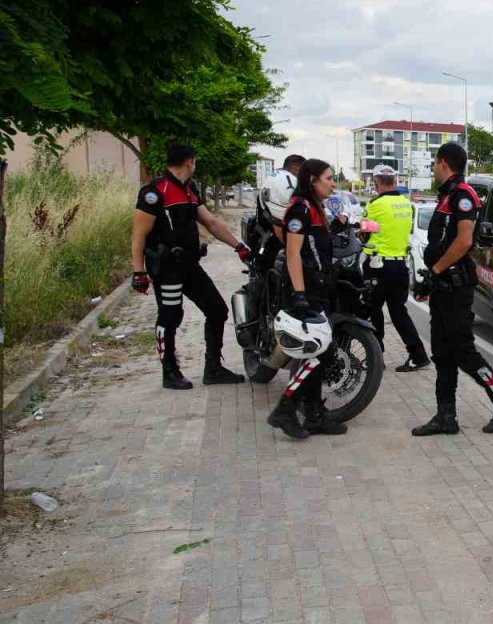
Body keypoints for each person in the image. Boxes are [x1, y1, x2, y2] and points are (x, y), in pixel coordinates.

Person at [411, 142, 493, 436]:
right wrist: (431, 278)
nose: (432, 168)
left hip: (456, 286)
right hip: (443, 287)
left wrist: (435, 270)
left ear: (443, 162)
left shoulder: (463, 195)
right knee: (443, 353)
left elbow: (463, 241)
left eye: (434, 163)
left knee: (463, 351)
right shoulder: (447, 196)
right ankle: (446, 417)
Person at [131, 143, 251, 390]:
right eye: (194, 162)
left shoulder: (189, 190)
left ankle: (213, 369)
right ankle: (170, 372)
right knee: (170, 316)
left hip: (189, 265)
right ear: (190, 162)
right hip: (166, 269)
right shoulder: (154, 192)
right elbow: (138, 235)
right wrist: (138, 272)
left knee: (217, 309)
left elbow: (211, 222)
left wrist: (239, 246)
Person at [266, 159, 349, 439]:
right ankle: (286, 409)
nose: (332, 183)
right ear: (312, 179)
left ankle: (312, 413)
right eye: (328, 178)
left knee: (320, 352)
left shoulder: (315, 207)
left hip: (319, 285)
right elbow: (293, 253)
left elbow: (317, 244)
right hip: (306, 288)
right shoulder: (300, 208)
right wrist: (300, 294)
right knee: (317, 352)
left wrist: (338, 228)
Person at [362, 165, 430, 372]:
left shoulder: (374, 205)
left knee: (373, 311)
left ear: (376, 183)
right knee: (399, 312)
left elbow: (365, 232)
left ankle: (376, 357)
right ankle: (418, 355)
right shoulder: (406, 205)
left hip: (378, 266)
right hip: (400, 266)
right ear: (396, 181)